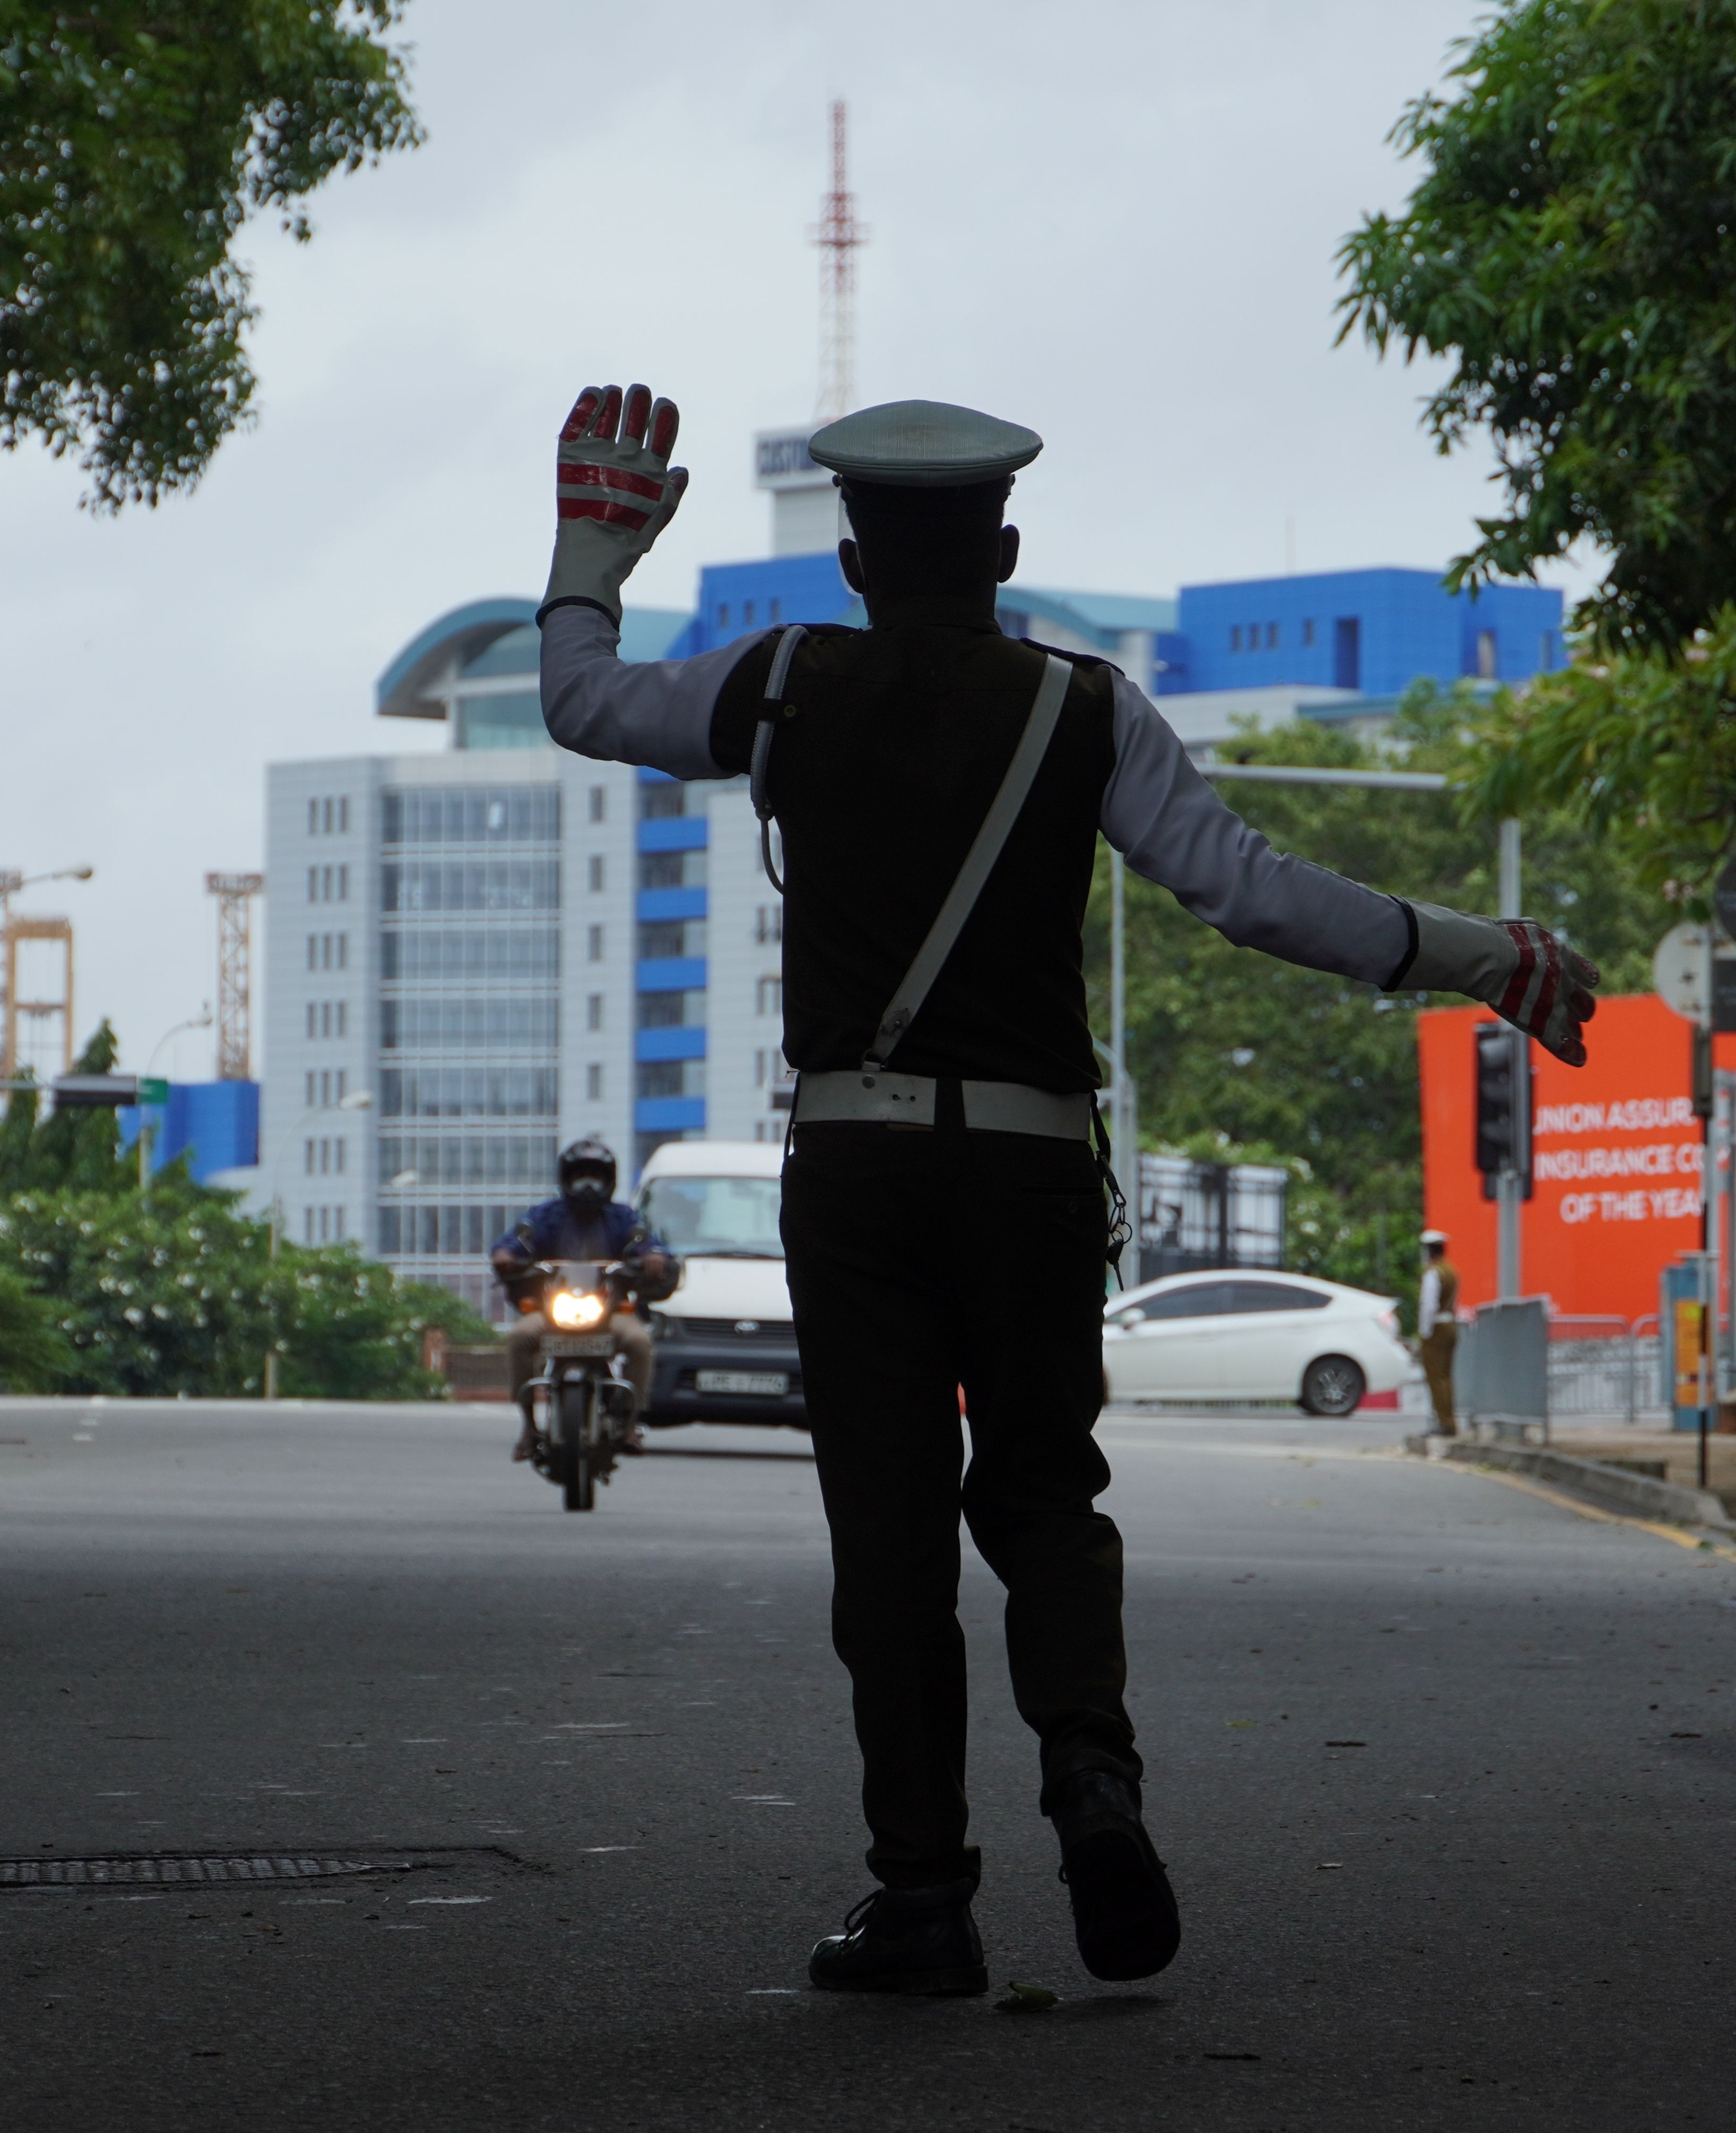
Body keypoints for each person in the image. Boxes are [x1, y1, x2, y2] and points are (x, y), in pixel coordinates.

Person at [531, 383, 1600, 1996]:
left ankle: (925, 1900)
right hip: (1031, 1172)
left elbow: (583, 701)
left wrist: (592, 546)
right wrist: (1482, 956)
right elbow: (1256, 895)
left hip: (859, 1165)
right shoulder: (1084, 710)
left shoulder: (786, 682)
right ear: (1006, 551)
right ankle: (1093, 1781)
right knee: (1045, 1494)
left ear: (853, 560)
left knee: (887, 1537)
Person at [489, 1136, 679, 1459]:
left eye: (596, 1177)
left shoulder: (624, 1218)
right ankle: (528, 1426)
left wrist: (654, 1257)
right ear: (566, 1179)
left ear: (609, 1180)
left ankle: (629, 1420)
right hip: (552, 1312)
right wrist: (505, 1255)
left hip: (610, 1311)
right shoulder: (544, 1216)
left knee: (639, 1341)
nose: (588, 1185)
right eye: (580, 1176)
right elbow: (512, 1242)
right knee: (520, 1337)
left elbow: (650, 1243)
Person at [1417, 1230, 1462, 1433]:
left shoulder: (1433, 1272)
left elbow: (1428, 1306)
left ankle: (1445, 1422)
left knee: (1435, 1377)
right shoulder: (1451, 1270)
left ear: (1428, 1251)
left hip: (1436, 1327)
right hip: (1451, 1324)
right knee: (1446, 1376)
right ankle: (1449, 1419)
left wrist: (1424, 1333)